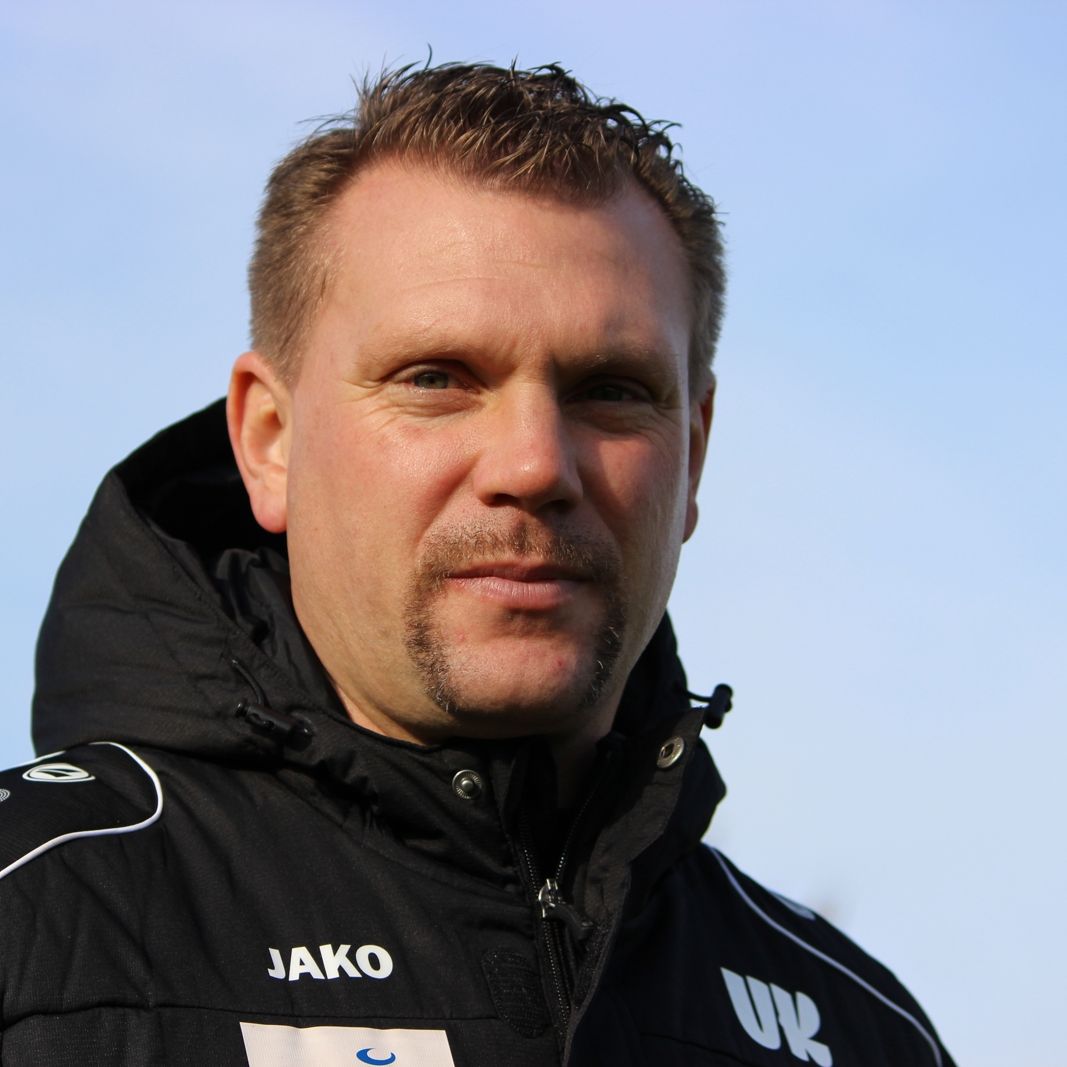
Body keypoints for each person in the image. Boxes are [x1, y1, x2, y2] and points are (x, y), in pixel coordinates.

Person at [0, 62, 955, 1065]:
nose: (534, 464)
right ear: (270, 441)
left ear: (694, 453)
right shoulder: (33, 926)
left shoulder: (862, 1032)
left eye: (611, 389)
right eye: (435, 377)